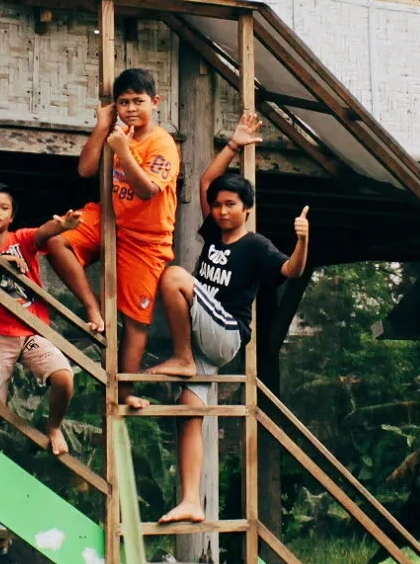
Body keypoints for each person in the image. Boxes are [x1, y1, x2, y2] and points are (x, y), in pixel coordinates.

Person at [140, 113, 311, 524]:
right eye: (218, 206)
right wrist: (233, 144)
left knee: (176, 274)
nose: (220, 210)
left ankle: (181, 357)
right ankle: (191, 501)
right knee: (189, 415)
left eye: (230, 205)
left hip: (226, 334)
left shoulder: (256, 246)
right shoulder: (215, 234)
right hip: (205, 337)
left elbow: (290, 271)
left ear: (247, 210)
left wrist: (302, 239)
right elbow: (204, 183)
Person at [45, 67, 181, 380]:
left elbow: (147, 189)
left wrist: (123, 150)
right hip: (110, 217)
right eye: (123, 103)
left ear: (154, 102)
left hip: (147, 238)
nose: (131, 109)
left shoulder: (162, 143)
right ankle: (93, 308)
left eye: (138, 101)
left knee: (135, 321)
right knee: (57, 240)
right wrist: (102, 127)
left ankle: (124, 391)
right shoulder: (117, 134)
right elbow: (85, 169)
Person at [0, 182, 80, 457]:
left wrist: (61, 226)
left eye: (4, 208)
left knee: (63, 377)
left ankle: (54, 427)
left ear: (12, 216)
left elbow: (42, 234)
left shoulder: (21, 239)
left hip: (31, 331)